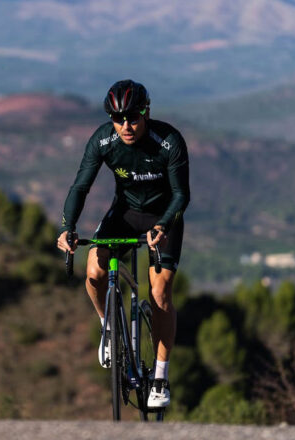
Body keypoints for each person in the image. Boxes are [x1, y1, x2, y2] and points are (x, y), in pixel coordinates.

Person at [56, 79, 190, 408]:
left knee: (159, 293)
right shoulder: (104, 140)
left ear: (146, 113)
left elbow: (181, 196)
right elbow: (80, 187)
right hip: (126, 212)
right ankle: (108, 328)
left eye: (132, 117)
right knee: (94, 270)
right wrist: (68, 227)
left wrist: (162, 225)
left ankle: (159, 378)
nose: (125, 126)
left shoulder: (169, 141)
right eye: (118, 119)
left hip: (164, 216)